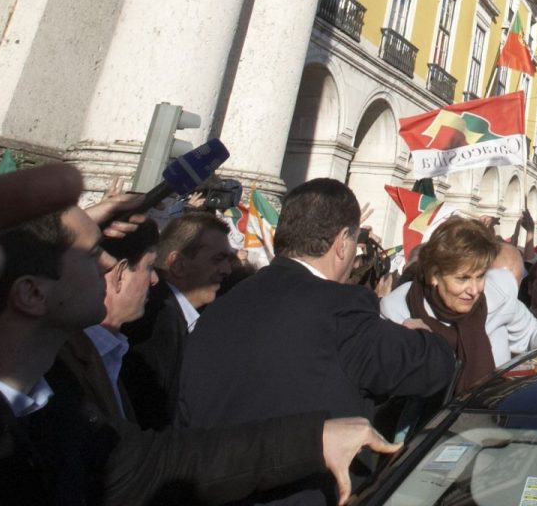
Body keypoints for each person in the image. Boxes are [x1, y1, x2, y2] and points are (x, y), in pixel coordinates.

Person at [0, 206, 394, 506]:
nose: (110, 263)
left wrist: (314, 438)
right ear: (30, 293)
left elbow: (156, 461)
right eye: (90, 252)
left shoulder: (55, 402)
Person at [180, 179, 456, 506]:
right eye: (355, 242)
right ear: (342, 242)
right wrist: (420, 334)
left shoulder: (222, 305)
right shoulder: (342, 310)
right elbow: (433, 367)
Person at [124, 210, 235, 431]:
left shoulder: (180, 319)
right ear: (178, 264)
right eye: (218, 259)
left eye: (228, 260)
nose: (227, 270)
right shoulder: (154, 319)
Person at [51, 217, 157, 429]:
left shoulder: (110, 350)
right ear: (119, 274)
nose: (155, 279)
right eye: (149, 266)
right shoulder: (61, 358)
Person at [378, 216, 505, 392]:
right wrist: (404, 345)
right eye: (463, 278)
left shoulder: (497, 298)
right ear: (434, 275)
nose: (474, 290)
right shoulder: (395, 309)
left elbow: (532, 331)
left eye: (480, 276)